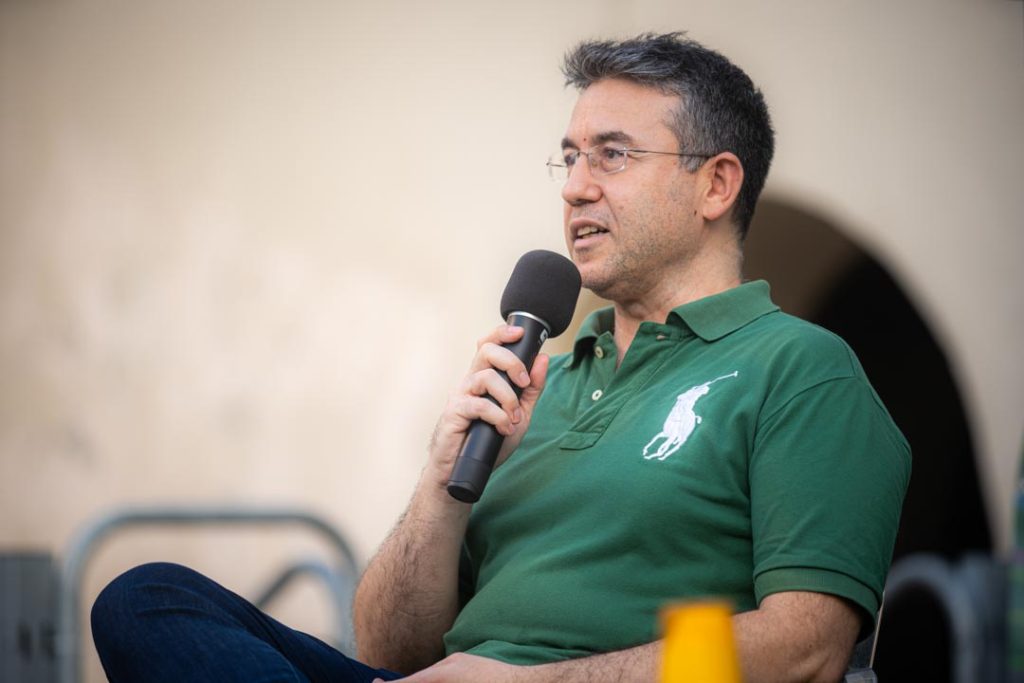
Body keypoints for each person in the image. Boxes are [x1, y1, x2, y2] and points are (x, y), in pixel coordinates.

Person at [90, 33, 910, 683]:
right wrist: (441, 483)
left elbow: (805, 649)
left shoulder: (798, 369)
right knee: (145, 596)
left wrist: (531, 682)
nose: (575, 186)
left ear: (716, 185)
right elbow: (389, 650)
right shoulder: (540, 375)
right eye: (570, 156)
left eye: (613, 154)